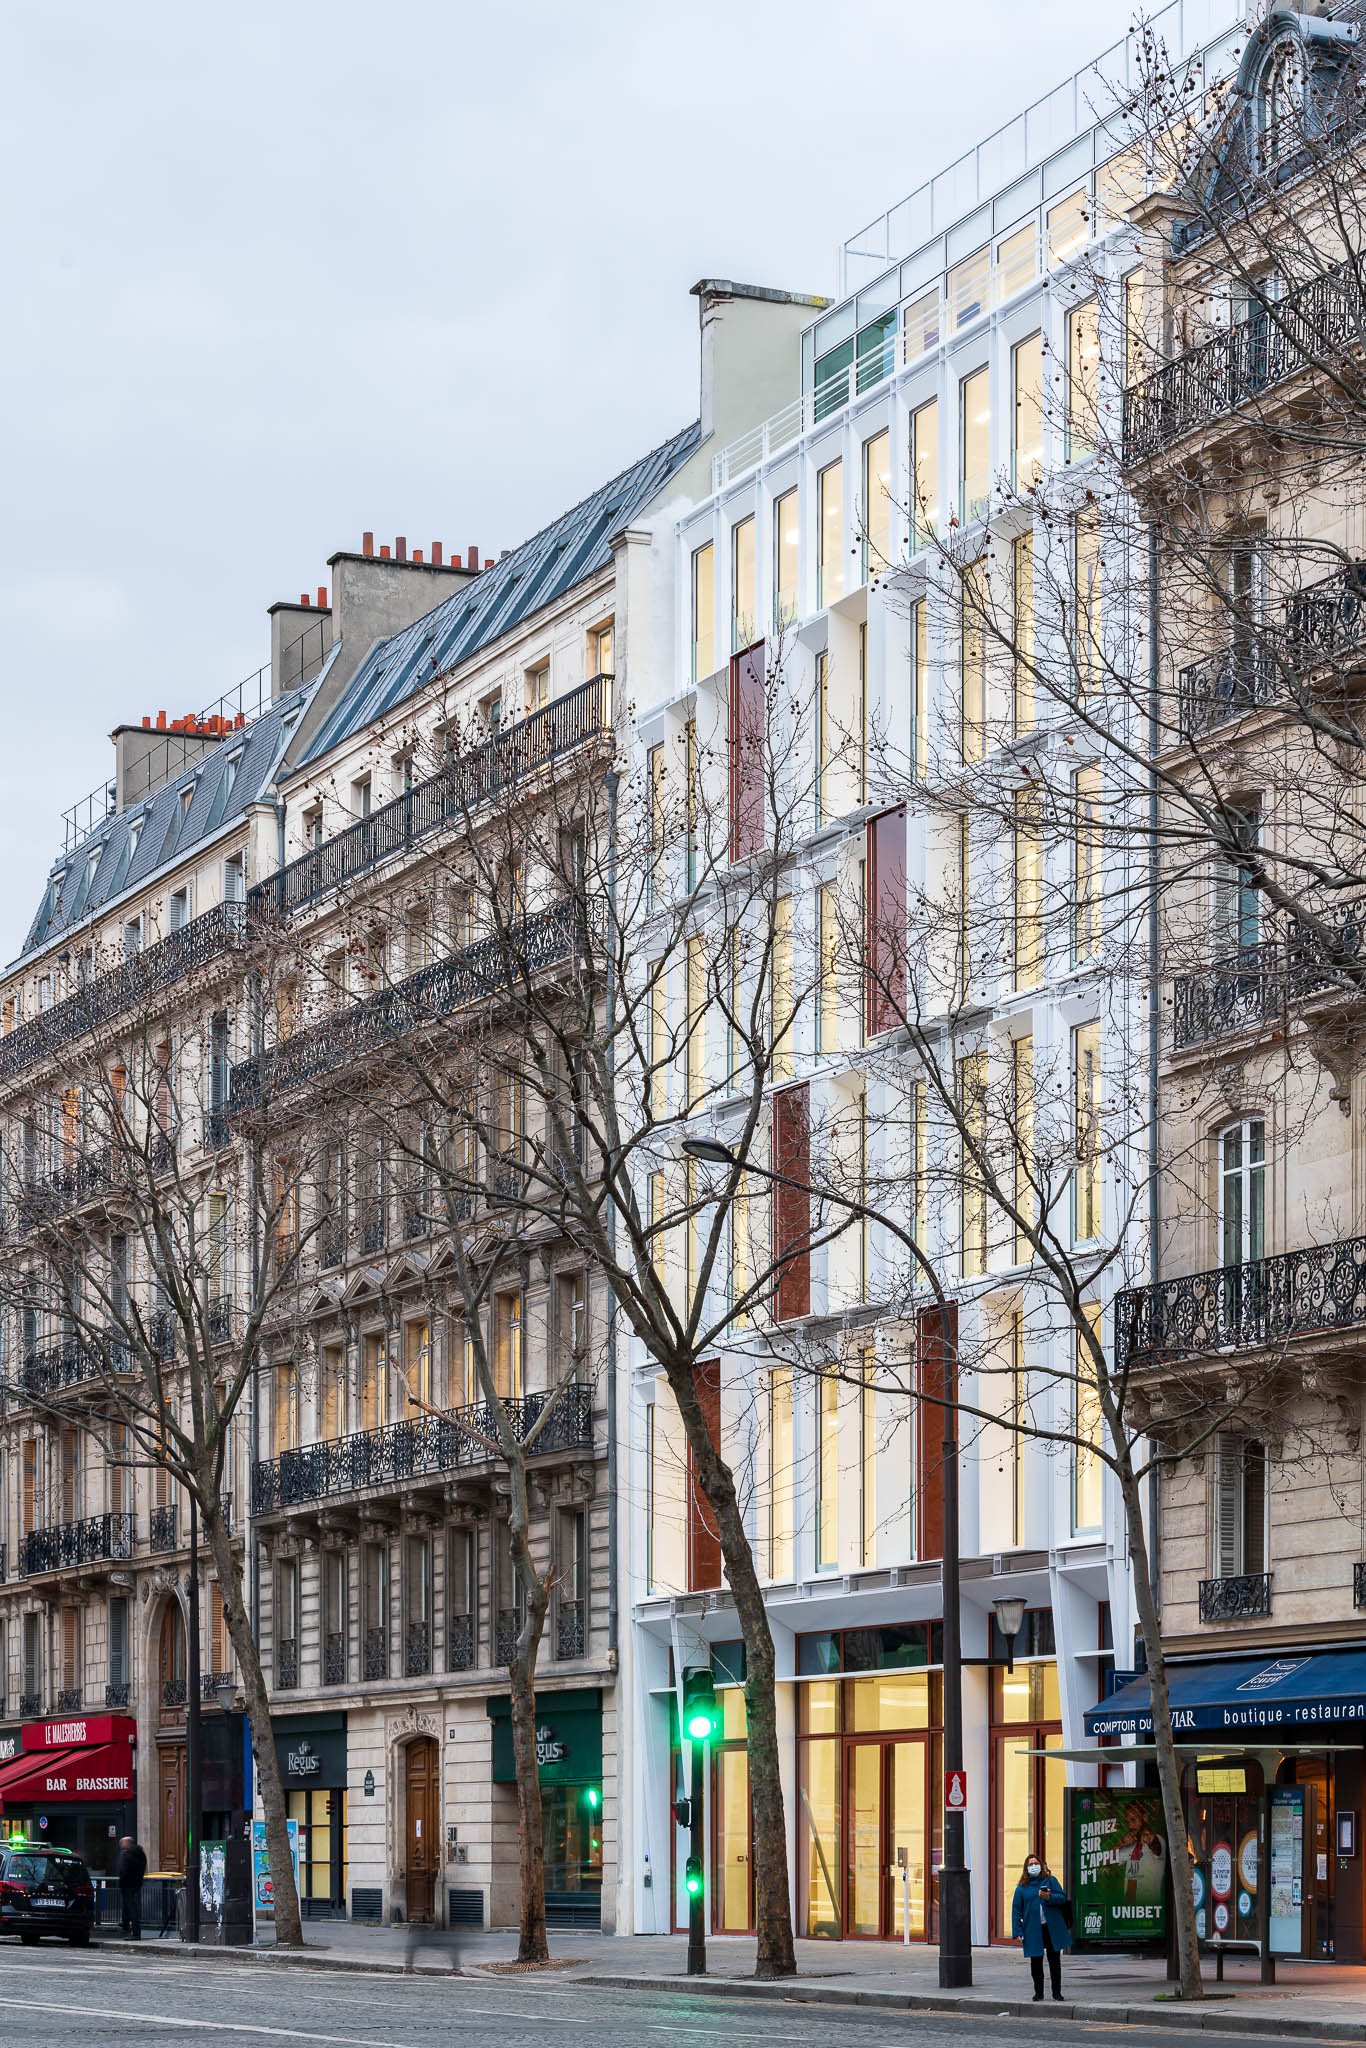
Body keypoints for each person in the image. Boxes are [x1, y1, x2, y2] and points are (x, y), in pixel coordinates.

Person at [1010, 1850, 1071, 2002]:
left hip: (1051, 1928)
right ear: (1026, 1868)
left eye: (1036, 1863)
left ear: (1041, 1865)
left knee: (1054, 1961)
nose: (1033, 1866)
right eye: (1030, 1864)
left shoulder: (1050, 1880)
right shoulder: (1021, 1888)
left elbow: (1062, 1898)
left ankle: (1057, 1993)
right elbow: (1016, 1910)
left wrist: (1049, 1897)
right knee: (1036, 1962)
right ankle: (1039, 1993)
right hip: (1032, 1929)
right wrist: (1017, 1931)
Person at [117, 1835, 148, 1940]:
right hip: (137, 1883)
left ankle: (135, 1933)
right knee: (128, 1905)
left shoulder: (126, 1854)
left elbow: (123, 1870)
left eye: (122, 1842)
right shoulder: (141, 1854)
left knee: (131, 1908)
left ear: (127, 1843)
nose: (120, 1844)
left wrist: (121, 1883)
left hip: (128, 1884)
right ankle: (125, 1924)